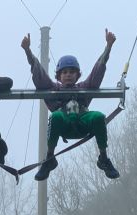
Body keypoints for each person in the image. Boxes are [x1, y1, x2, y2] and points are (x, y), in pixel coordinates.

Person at [21, 30, 120, 181]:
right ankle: (50, 157)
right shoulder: (53, 89)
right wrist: (28, 51)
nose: (68, 75)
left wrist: (108, 47)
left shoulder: (84, 87)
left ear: (77, 75)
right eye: (65, 72)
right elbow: (38, 72)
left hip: (82, 123)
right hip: (64, 124)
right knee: (56, 116)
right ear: (59, 76)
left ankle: (103, 158)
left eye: (72, 72)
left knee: (98, 116)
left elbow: (98, 70)